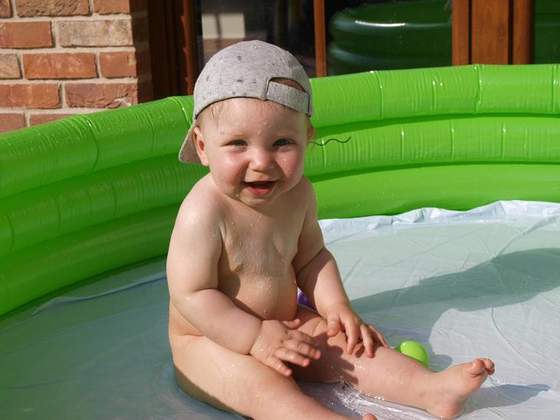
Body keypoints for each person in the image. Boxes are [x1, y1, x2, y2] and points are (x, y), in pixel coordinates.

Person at [166, 40, 494, 420]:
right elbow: (192, 294)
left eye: (282, 143)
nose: (261, 161)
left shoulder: (298, 194)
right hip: (210, 342)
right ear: (202, 146)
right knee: (262, 389)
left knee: (350, 348)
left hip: (287, 324)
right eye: (238, 144)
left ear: (307, 137)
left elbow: (311, 259)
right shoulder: (204, 211)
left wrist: (336, 308)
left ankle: (430, 390)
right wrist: (253, 336)